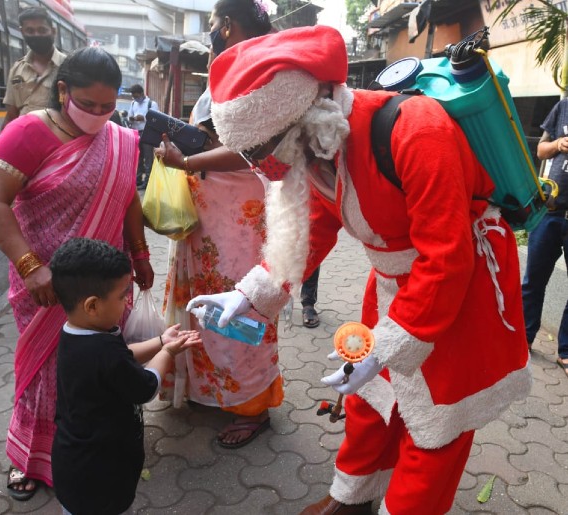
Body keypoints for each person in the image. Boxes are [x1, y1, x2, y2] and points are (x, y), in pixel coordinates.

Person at [188, 26, 531, 514]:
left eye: (269, 151)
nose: (268, 169)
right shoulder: (320, 149)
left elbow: (447, 258)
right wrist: (246, 296)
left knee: (436, 424)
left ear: (311, 114)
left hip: (459, 289)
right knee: (370, 400)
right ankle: (353, 500)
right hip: (389, 283)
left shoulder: (416, 130)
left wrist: (393, 343)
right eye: (255, 157)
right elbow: (308, 234)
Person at [0, 46, 154, 501]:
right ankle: (31, 458)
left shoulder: (118, 140)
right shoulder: (27, 133)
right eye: (88, 104)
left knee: (101, 364)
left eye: (107, 106)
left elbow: (127, 198)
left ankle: (100, 445)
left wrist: (139, 253)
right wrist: (31, 268)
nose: (98, 115)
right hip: (48, 287)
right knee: (45, 371)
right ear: (63, 91)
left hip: (104, 281)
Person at [154, 0, 278, 449]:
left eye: (212, 25)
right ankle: (216, 392)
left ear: (227, 25)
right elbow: (215, 135)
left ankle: (253, 405)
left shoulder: (261, 72)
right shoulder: (230, 68)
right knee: (207, 303)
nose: (210, 33)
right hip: (211, 213)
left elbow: (255, 148)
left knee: (240, 305)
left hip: (239, 217)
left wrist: (185, 158)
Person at [50, 238, 200, 515]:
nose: (125, 303)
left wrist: (158, 341)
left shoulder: (77, 333)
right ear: (92, 305)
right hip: (100, 478)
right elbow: (146, 387)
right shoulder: (102, 348)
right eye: (121, 296)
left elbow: (122, 357)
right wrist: (167, 352)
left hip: (75, 466)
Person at [522, 98, 568, 372]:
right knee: (533, 281)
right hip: (550, 211)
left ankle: (565, 350)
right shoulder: (563, 107)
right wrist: (558, 144)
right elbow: (540, 150)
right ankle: (524, 340)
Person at [2, 7, 67, 128]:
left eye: (42, 30)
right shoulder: (17, 69)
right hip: (23, 141)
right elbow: (11, 115)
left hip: (58, 142)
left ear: (53, 31)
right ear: (22, 32)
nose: (36, 35)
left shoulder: (69, 66)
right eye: (30, 31)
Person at [127, 84, 158, 188]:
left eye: (137, 96)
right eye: (134, 97)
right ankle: (138, 180)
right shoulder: (133, 104)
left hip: (147, 133)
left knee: (148, 158)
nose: (136, 99)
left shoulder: (151, 104)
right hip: (136, 133)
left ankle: (148, 182)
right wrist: (131, 118)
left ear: (142, 93)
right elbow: (129, 116)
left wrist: (144, 118)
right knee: (138, 158)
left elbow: (156, 119)